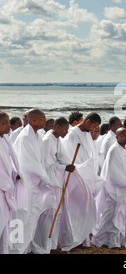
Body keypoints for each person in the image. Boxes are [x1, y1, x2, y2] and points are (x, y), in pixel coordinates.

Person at [57, 112, 104, 250]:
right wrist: (82, 169)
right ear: (88, 122)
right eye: (94, 125)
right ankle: (72, 240)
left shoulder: (88, 135)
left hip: (88, 176)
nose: (95, 129)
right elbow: (69, 158)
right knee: (74, 210)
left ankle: (84, 240)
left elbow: (92, 155)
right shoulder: (72, 134)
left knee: (86, 209)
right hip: (77, 176)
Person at [13, 108, 56, 254]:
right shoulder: (25, 137)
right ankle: (18, 249)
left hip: (35, 183)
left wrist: (43, 178)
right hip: (26, 183)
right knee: (24, 215)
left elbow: (40, 161)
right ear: (33, 120)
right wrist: (45, 178)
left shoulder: (37, 136)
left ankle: (27, 245)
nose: (45, 121)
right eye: (42, 118)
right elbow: (29, 162)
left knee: (33, 215)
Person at [92, 128, 126, 249]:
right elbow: (114, 172)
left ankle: (113, 241)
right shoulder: (114, 150)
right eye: (123, 136)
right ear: (117, 137)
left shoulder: (124, 149)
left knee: (119, 215)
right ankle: (101, 240)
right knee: (110, 216)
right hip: (114, 189)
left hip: (123, 189)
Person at [42, 117, 75, 251]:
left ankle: (53, 245)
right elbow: (47, 164)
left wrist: (71, 165)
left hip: (57, 180)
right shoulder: (47, 141)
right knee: (51, 213)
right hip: (49, 182)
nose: (67, 132)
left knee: (58, 213)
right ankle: (46, 245)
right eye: (65, 129)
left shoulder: (57, 140)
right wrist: (64, 168)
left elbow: (62, 156)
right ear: (57, 127)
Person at [0, 112, 25, 254]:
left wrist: (15, 174)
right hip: (3, 189)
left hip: (6, 191)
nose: (9, 125)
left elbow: (9, 163)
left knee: (5, 228)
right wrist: (7, 184)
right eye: (5, 122)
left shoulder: (4, 140)